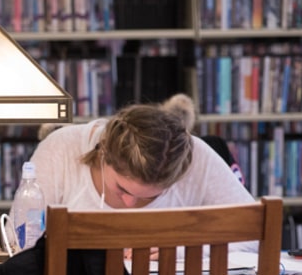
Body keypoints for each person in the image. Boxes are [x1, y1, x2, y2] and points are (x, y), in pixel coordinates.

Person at [23, 93, 256, 253]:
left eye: (149, 198)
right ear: (103, 152)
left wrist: (187, 249)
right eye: (121, 189)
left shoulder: (198, 156)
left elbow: (253, 234)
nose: (130, 203)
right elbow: (20, 241)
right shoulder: (60, 149)